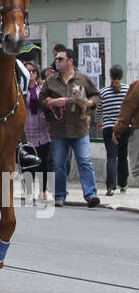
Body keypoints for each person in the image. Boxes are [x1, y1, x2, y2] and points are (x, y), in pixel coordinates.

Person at [40, 48, 101, 207]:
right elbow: (41, 101)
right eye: (56, 59)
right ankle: (60, 195)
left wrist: (88, 103)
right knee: (58, 164)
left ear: (70, 61)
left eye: (60, 59)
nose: (56, 62)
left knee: (85, 161)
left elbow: (96, 95)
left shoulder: (82, 79)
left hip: (80, 129)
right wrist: (53, 102)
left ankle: (91, 195)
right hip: (59, 130)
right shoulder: (51, 81)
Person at [23, 61, 52, 201]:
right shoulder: (21, 88)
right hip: (27, 128)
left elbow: (47, 101)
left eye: (33, 71)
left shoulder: (42, 87)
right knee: (27, 163)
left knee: (43, 162)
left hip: (42, 128)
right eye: (28, 71)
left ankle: (43, 191)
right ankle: (28, 192)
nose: (31, 74)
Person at [100, 65, 131, 194]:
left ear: (110, 76)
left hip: (108, 127)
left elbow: (98, 111)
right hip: (124, 127)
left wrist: (100, 121)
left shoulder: (103, 92)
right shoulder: (128, 90)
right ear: (122, 75)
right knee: (123, 155)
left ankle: (110, 186)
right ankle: (123, 184)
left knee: (111, 157)